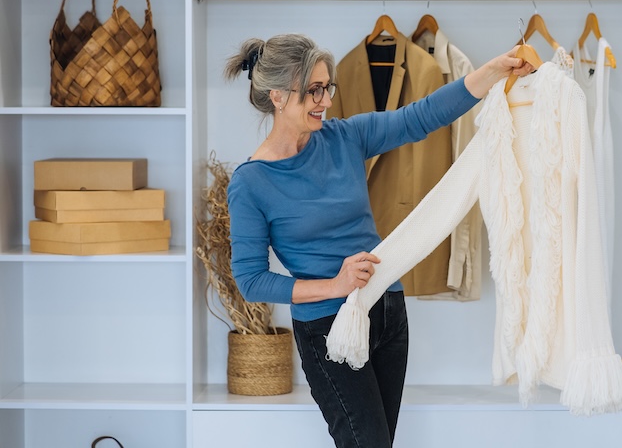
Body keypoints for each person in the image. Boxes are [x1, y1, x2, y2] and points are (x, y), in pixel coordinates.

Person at [224, 32, 534, 448]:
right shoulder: (251, 182)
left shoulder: (344, 138)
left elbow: (420, 117)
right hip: (327, 327)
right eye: (313, 91)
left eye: (327, 87)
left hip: (387, 312)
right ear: (278, 96)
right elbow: (250, 279)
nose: (326, 100)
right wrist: (334, 286)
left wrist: (492, 72)